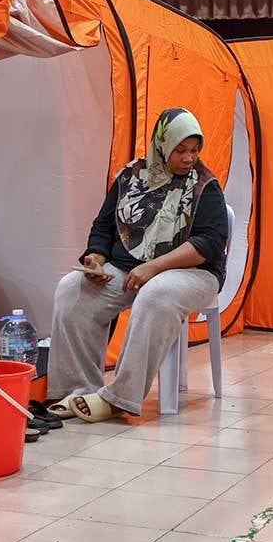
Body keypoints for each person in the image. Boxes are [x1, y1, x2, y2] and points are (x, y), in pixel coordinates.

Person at [46, 108, 228, 423]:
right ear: (162, 145)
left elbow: (209, 244)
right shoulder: (131, 176)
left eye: (194, 150)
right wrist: (97, 257)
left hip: (192, 273)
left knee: (156, 293)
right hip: (128, 268)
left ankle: (119, 397)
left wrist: (154, 267)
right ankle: (76, 389)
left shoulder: (204, 186)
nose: (189, 158)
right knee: (72, 290)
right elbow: (103, 225)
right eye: (180, 150)